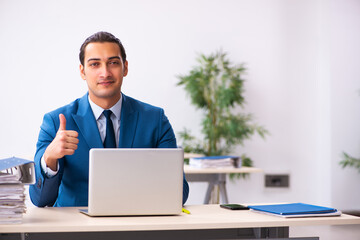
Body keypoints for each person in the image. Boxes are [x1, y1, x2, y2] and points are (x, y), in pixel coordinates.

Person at [29, 31, 189, 207]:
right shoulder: (56, 122)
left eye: (113, 63)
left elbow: (178, 193)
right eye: (95, 64)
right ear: (82, 71)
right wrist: (50, 158)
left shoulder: (155, 120)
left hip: (137, 226)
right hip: (78, 230)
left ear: (125, 68)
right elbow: (40, 200)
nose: (105, 73)